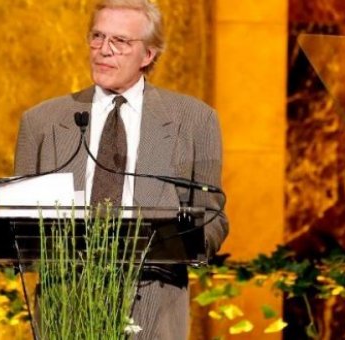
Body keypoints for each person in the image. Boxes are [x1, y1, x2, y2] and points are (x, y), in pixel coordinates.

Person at [13, 0, 228, 338]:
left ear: (148, 55)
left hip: (155, 307)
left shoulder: (194, 121)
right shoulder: (42, 122)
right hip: (65, 310)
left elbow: (212, 218)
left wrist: (177, 245)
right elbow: (19, 222)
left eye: (120, 42)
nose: (103, 50)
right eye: (97, 37)